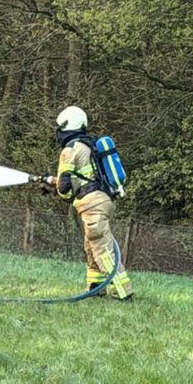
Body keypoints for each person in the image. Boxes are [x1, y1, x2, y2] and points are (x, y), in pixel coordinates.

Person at [44, 106, 133, 299]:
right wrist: (52, 183)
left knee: (102, 248)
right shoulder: (87, 145)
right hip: (102, 200)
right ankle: (96, 288)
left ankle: (123, 293)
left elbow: (65, 189)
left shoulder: (70, 150)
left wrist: (57, 189)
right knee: (91, 246)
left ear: (68, 125)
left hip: (92, 204)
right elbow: (80, 179)